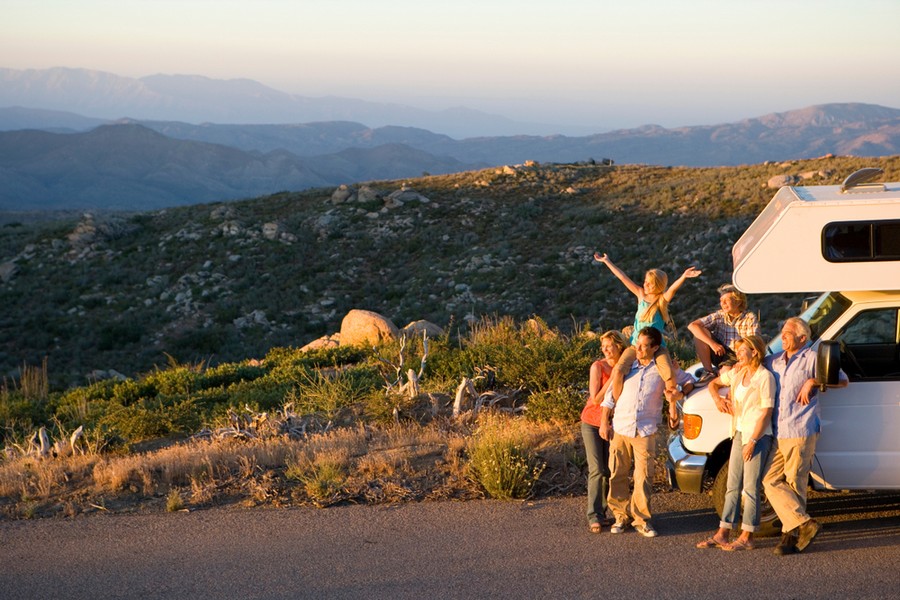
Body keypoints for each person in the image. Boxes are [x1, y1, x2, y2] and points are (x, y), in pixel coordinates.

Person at [763, 317, 848, 555]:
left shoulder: (812, 358)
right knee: (769, 479)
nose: (783, 336)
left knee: (795, 482)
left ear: (802, 338)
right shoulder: (773, 360)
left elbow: (843, 380)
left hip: (800, 429)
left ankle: (789, 538)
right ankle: (804, 524)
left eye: (788, 332)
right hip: (777, 431)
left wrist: (813, 380)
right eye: (782, 331)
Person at [598, 326, 682, 538]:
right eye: (638, 344)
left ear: (655, 347)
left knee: (643, 476)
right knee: (617, 473)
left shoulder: (662, 368)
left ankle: (641, 519)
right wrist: (604, 422)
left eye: (645, 346)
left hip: (644, 430)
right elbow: (610, 397)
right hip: (621, 427)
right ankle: (620, 516)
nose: (639, 349)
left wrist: (675, 401)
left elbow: (683, 384)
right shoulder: (627, 366)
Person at [695, 335, 774, 551]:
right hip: (739, 432)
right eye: (737, 350)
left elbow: (766, 412)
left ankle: (748, 535)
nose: (737, 354)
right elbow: (714, 383)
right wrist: (718, 399)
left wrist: (753, 441)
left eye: (741, 350)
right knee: (732, 484)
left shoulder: (765, 377)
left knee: (750, 486)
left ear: (754, 352)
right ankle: (723, 532)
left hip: (758, 436)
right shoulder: (739, 373)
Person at [593, 252, 702, 400]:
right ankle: (617, 402)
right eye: (645, 281)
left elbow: (672, 290)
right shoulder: (641, 295)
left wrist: (683, 276)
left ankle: (672, 405)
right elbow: (623, 277)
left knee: (668, 373)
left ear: (658, 285)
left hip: (656, 346)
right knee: (618, 371)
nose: (645, 285)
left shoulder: (661, 301)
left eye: (650, 283)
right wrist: (607, 261)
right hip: (635, 344)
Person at [580, 330, 629, 533]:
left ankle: (605, 513)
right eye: (603, 347)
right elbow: (596, 399)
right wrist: (615, 375)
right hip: (592, 422)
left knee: (610, 470)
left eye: (609, 346)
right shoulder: (598, 367)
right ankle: (594, 515)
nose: (605, 350)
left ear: (619, 346)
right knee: (597, 469)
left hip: (615, 423)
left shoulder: (628, 365)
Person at [688, 284, 761, 380]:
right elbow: (692, 326)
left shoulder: (749, 318)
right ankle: (709, 372)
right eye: (721, 301)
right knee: (699, 333)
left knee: (726, 374)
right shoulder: (720, 315)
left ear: (738, 302)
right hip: (720, 351)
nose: (723, 303)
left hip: (737, 354)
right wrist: (713, 344)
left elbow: (753, 344)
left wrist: (741, 362)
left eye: (727, 300)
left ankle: (721, 371)